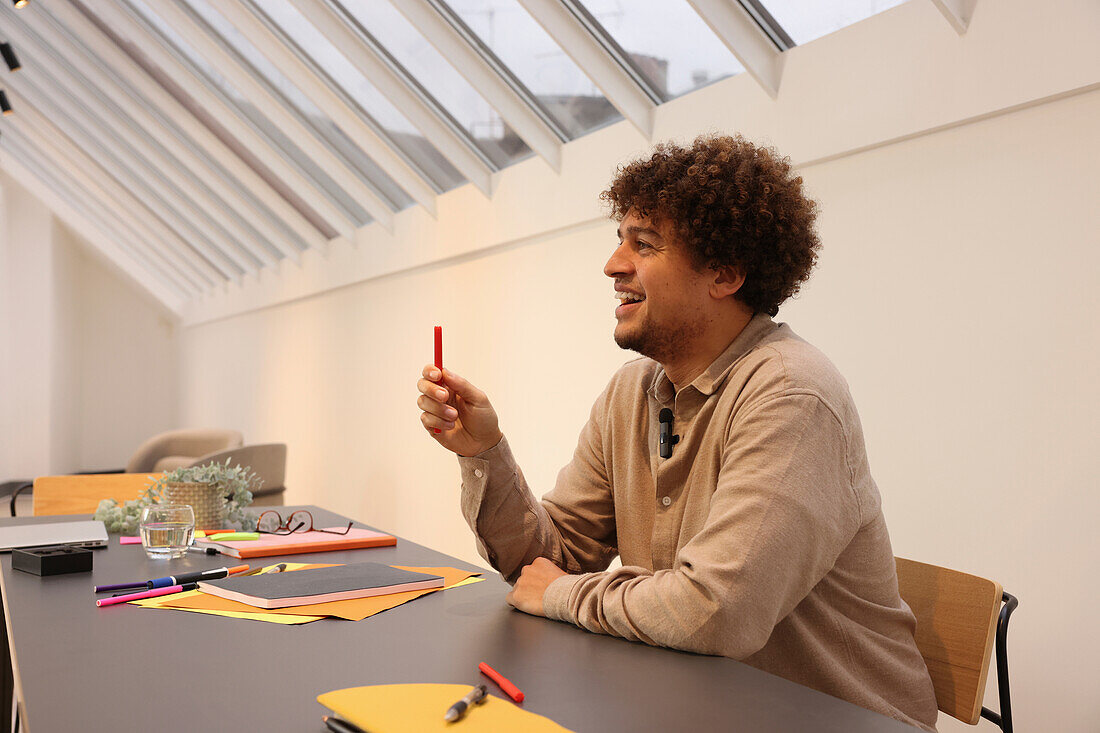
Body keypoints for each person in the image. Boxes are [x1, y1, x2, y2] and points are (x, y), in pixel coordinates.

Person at [416, 134, 938, 731]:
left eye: (644, 244)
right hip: (695, 703)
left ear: (725, 273)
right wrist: (485, 451)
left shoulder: (792, 396)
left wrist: (565, 595)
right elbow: (546, 562)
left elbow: (715, 613)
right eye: (620, 240)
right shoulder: (631, 393)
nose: (613, 264)